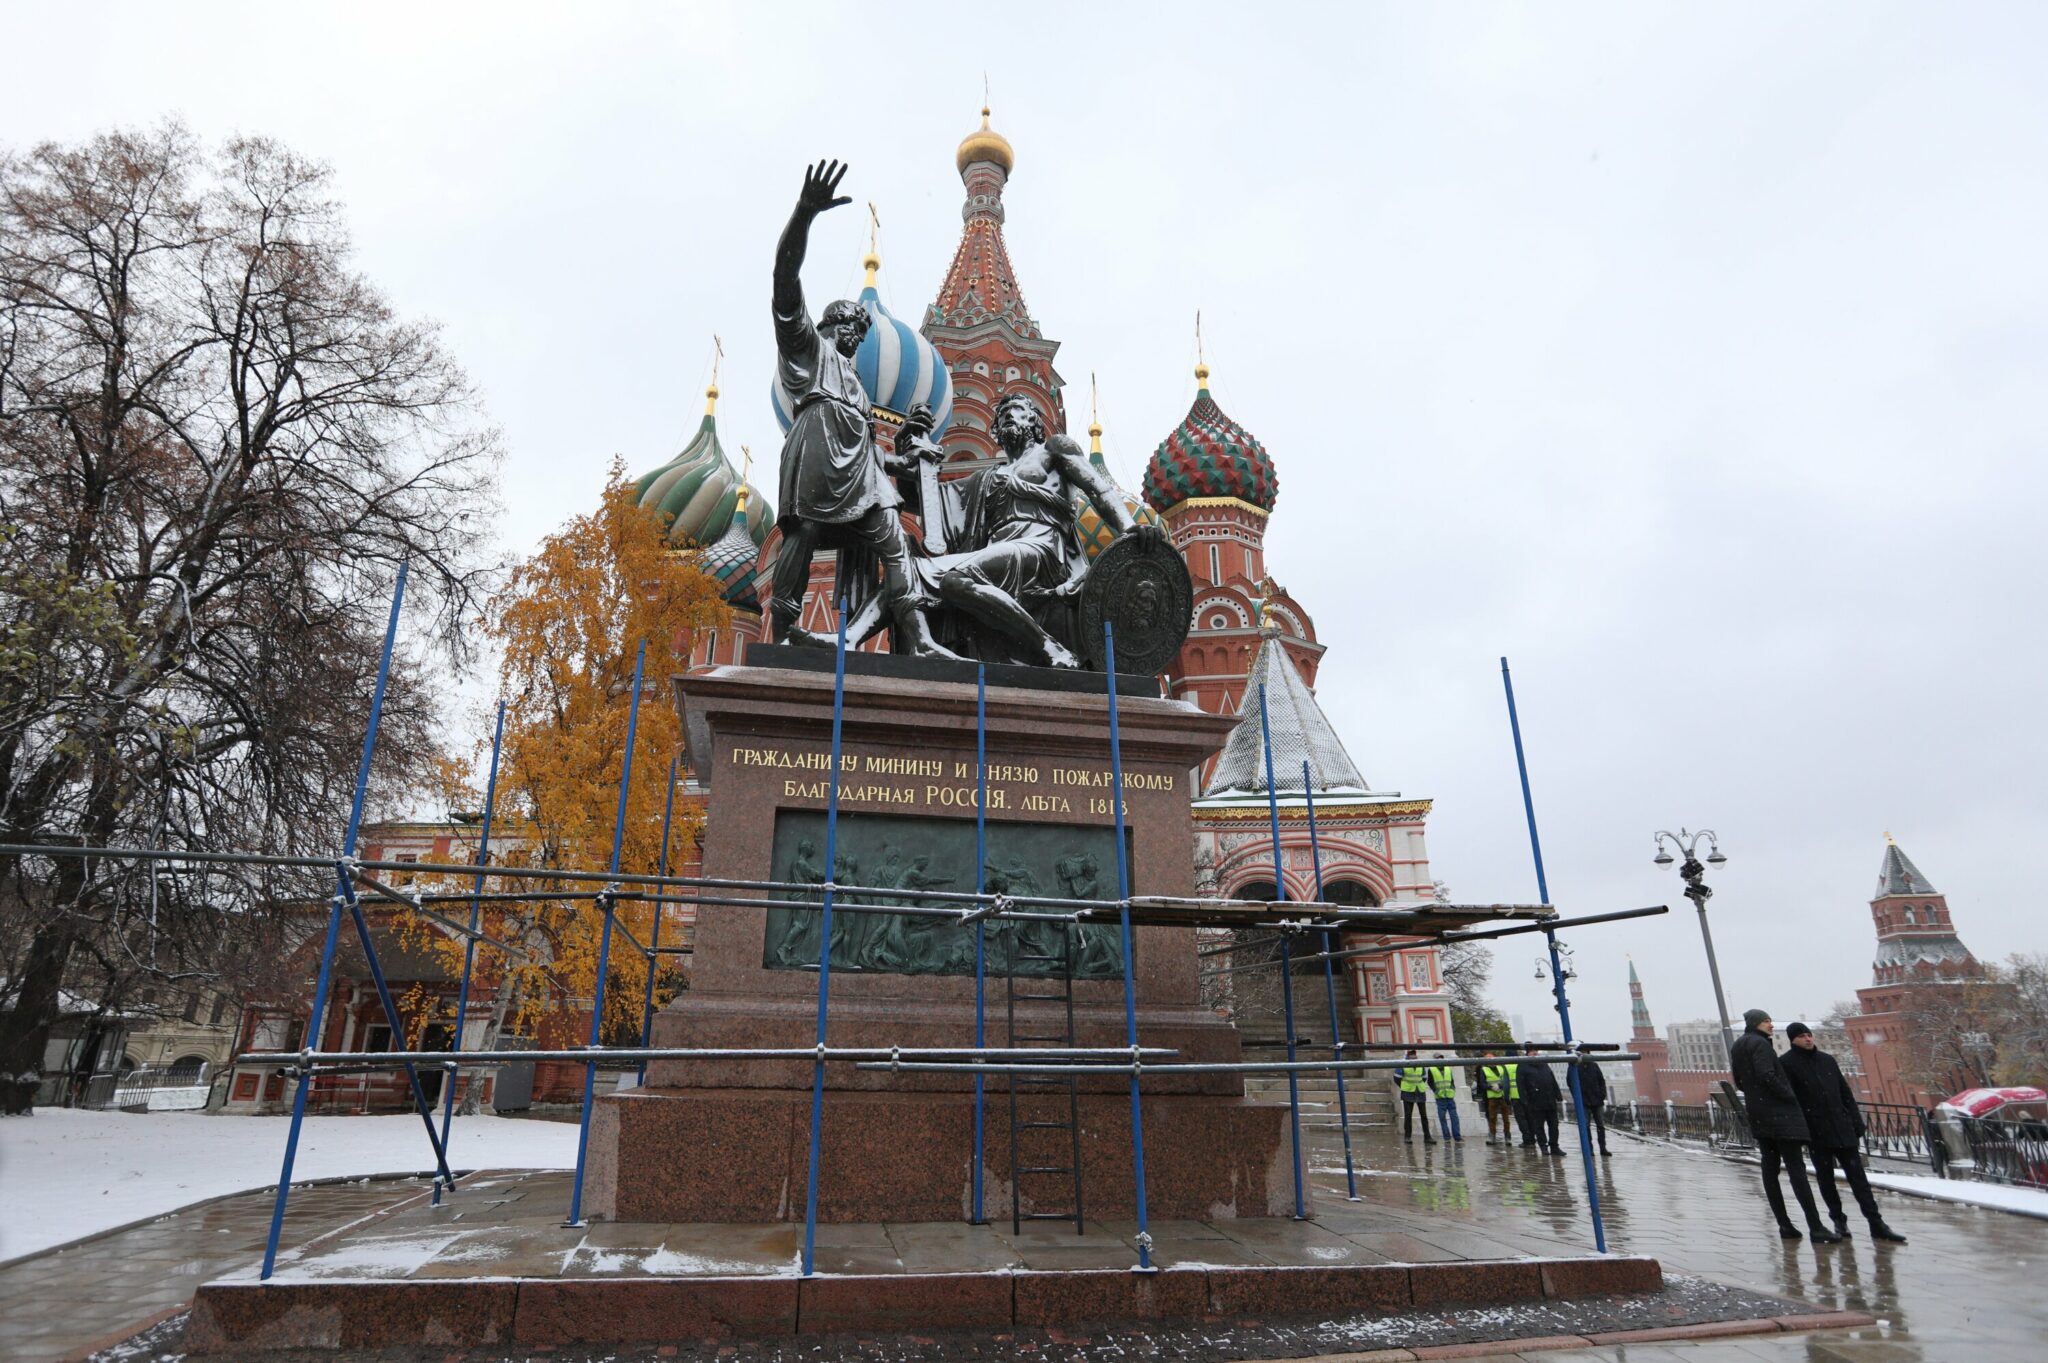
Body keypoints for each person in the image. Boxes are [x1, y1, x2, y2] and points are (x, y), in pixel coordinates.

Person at [767, 160, 947, 657]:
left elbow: (868, 450)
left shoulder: (858, 388)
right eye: (851, 328)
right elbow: (784, 278)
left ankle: (917, 636)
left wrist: (904, 461)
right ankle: (782, 629)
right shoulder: (808, 350)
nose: (856, 337)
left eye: (862, 332)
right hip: (816, 456)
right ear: (830, 325)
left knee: (894, 536)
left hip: (858, 474)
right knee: (802, 538)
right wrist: (804, 214)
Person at [1781, 1022, 1908, 1243]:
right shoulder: (1787, 1064)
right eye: (1802, 1036)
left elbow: (1844, 1092)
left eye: (1809, 1035)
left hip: (1842, 1128)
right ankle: (1839, 1221)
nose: (1808, 1039)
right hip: (1817, 1132)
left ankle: (1876, 1223)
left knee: (1859, 1179)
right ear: (1793, 1039)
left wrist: (1856, 1121)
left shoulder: (1827, 1060)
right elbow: (1792, 1101)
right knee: (1826, 1179)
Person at [1729, 1008, 1842, 1242]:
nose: (1770, 1025)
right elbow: (1766, 1074)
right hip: (1779, 1115)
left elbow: (1739, 1081)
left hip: (1759, 1113)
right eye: (1766, 1021)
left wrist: (1756, 1095)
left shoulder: (1739, 1045)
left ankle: (1785, 1225)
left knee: (1770, 1169)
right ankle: (1815, 1226)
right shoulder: (1760, 1044)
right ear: (1756, 1024)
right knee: (1796, 1170)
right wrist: (1789, 1095)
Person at [1520, 1043, 1563, 1155]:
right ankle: (1543, 1146)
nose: (1535, 1052)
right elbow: (1521, 1085)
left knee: (1554, 1125)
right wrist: (1525, 1101)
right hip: (1535, 1102)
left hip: (1550, 1100)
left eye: (1536, 1050)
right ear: (1527, 1053)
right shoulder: (1523, 1066)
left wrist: (1558, 1095)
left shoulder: (1544, 1064)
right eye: (1532, 1051)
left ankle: (1554, 1146)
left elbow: (1552, 1080)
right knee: (1539, 1126)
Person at [1575, 1050, 1612, 1156]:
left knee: (1600, 1125)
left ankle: (1603, 1148)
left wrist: (1602, 1094)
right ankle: (1589, 1149)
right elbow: (1571, 1082)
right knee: (1585, 1126)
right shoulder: (1576, 1067)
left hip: (1597, 1100)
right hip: (1584, 1102)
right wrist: (1578, 1097)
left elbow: (1601, 1081)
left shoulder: (1594, 1065)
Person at [1396, 1049, 1435, 1144]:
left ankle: (1427, 1137)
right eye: (1411, 1054)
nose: (1413, 1056)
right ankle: (1407, 1137)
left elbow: (1424, 1077)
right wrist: (1404, 1086)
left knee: (1424, 1116)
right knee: (1408, 1116)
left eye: (1414, 1054)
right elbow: (1397, 1077)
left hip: (1419, 1091)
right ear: (1408, 1055)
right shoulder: (1402, 1064)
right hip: (1408, 1092)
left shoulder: (1420, 1064)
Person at [1479, 1050, 1516, 1145]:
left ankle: (1507, 1136)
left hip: (1503, 1096)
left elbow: (1506, 1080)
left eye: (1491, 1057)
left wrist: (1500, 1086)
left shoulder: (1501, 1068)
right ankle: (1492, 1136)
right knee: (1492, 1117)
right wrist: (1490, 1087)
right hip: (1492, 1097)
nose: (1490, 1060)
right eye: (1487, 1058)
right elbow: (1482, 1084)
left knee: (1506, 1118)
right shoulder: (1483, 1070)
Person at [1428, 1054, 1464, 1142]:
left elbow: (1451, 1081)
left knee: (1454, 1118)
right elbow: (1430, 1082)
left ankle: (1457, 1136)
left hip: (1450, 1097)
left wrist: (1453, 1089)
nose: (1440, 1060)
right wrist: (1436, 1091)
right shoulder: (1431, 1069)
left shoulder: (1448, 1068)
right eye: (1438, 1059)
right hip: (1440, 1098)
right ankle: (1447, 1137)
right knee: (1442, 1118)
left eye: (1441, 1059)